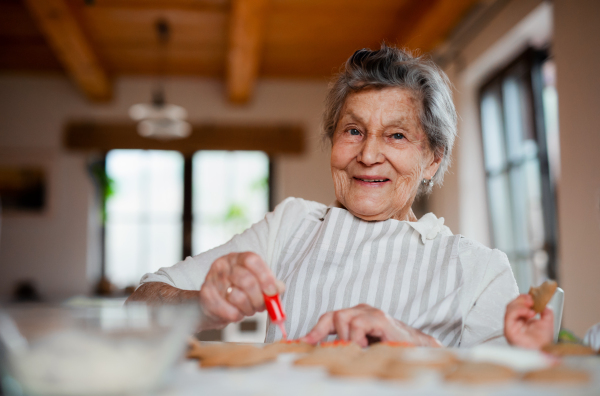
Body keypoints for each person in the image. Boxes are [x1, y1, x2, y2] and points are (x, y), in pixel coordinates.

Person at [127, 45, 519, 348]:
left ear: (432, 160)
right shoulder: (290, 224)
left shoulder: (480, 270)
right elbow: (140, 304)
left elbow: (517, 387)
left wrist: (418, 346)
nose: (367, 155)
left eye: (396, 135)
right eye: (353, 130)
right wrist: (201, 305)